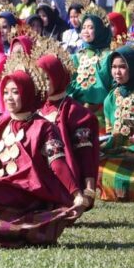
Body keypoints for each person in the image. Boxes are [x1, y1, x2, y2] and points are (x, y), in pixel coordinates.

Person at [0, 66, 88, 248]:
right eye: (6, 92)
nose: (9, 97)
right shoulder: (2, 124)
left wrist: (77, 195)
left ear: (28, 93)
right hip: (0, 189)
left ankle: (16, 232)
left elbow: (57, 163)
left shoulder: (44, 127)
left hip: (31, 194)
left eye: (15, 92)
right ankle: (12, 233)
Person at [35, 49, 99, 205]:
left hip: (66, 184)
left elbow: (85, 155)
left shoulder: (74, 111)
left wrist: (89, 190)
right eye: (38, 78)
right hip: (36, 176)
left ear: (57, 78)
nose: (41, 84)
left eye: (46, 78)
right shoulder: (35, 107)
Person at [99, 46, 134, 201]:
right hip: (118, 151)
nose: (117, 72)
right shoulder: (111, 98)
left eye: (122, 67)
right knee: (97, 167)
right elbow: (109, 132)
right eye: (114, 67)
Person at [67, 12, 112, 131]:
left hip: (101, 115)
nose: (86, 31)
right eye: (84, 27)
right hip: (77, 113)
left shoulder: (108, 57)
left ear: (100, 30)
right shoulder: (77, 56)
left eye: (91, 27)